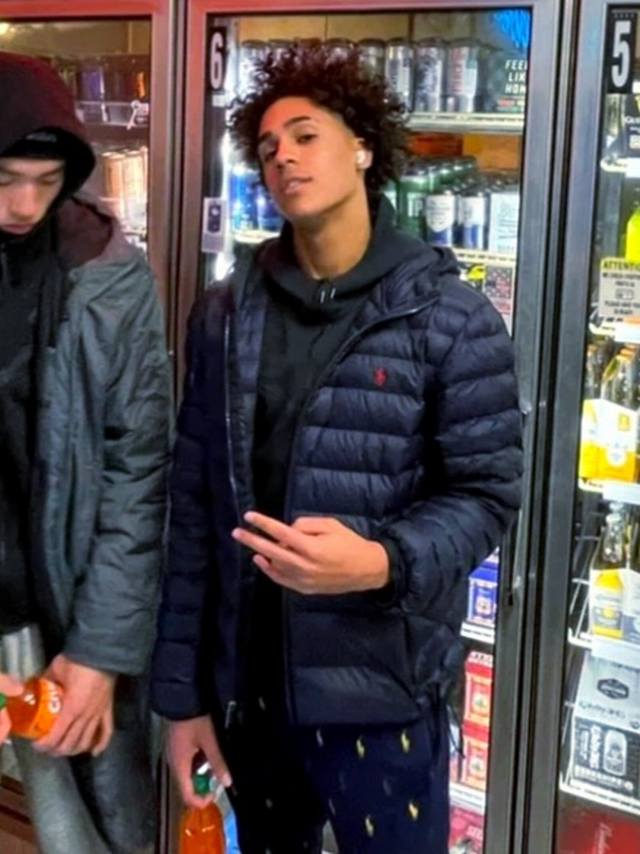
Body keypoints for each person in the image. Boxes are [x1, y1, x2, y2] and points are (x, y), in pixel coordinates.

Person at [151, 42, 523, 854]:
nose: (283, 156)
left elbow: (487, 495)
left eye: (306, 135)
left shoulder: (449, 317)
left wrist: (383, 561)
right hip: (251, 699)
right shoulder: (225, 314)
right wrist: (183, 700)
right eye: (267, 147)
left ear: (362, 147)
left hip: (382, 700)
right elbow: (195, 511)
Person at [0, 52, 172, 854]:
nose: (25, 204)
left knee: (88, 835)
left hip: (63, 617)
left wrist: (101, 653)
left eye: (45, 181)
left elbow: (138, 474)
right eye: (5, 179)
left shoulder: (110, 277)